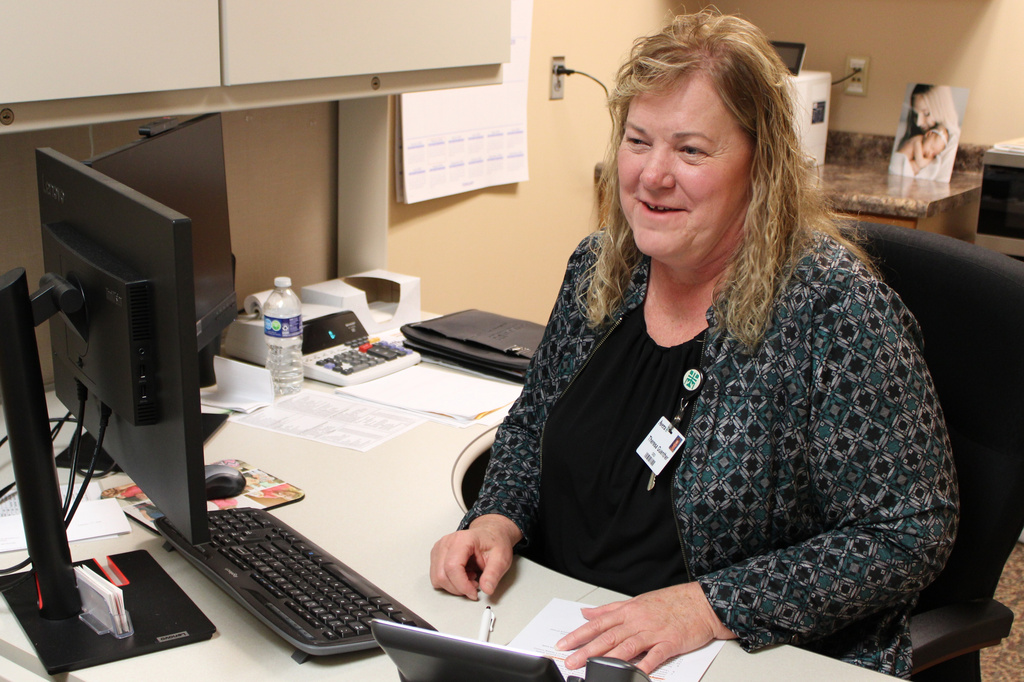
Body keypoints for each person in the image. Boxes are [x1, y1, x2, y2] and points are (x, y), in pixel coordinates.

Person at [430, 10, 958, 679]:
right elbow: (533, 427)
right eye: (638, 141)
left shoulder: (834, 311)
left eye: (691, 150)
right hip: (556, 633)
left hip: (735, 656)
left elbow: (909, 532)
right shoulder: (600, 270)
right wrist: (497, 517)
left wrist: (711, 606)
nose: (652, 175)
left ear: (759, 165)